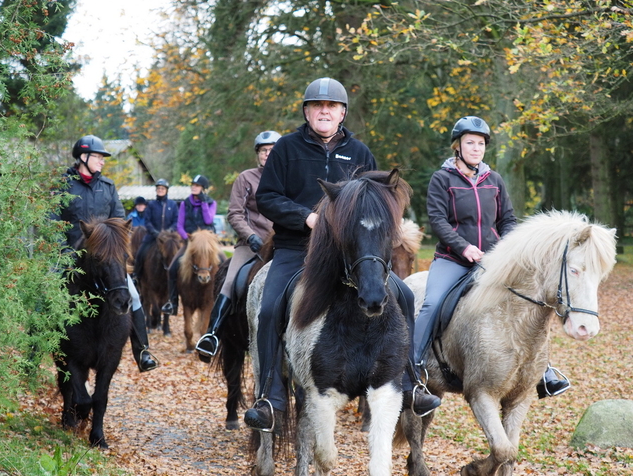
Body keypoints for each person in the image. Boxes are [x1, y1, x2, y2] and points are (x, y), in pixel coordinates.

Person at [243, 77, 441, 433]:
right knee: (270, 307)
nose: (324, 111)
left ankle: (411, 382)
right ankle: (270, 396)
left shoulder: (361, 153)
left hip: (350, 254)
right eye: (317, 105)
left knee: (406, 296)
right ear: (306, 111)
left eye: (331, 106)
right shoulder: (286, 149)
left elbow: (376, 200)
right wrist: (307, 217)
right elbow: (267, 198)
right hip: (297, 249)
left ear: (342, 113)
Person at [415, 116, 570, 401]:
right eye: (470, 143)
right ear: (457, 147)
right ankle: (415, 371)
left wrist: (508, 249)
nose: (476, 148)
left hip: (492, 260)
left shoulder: (494, 180)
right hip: (453, 259)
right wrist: (464, 248)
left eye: (481, 144)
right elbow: (437, 221)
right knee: (432, 303)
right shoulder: (442, 179)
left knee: (527, 302)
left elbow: (507, 220)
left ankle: (543, 371)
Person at [56, 135, 158, 372]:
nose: (102, 162)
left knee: (132, 294)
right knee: (45, 295)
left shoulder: (108, 187)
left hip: (103, 259)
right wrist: (62, 253)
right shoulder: (63, 185)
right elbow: (52, 221)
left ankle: (142, 351)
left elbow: (121, 223)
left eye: (103, 158)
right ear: (83, 157)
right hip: (69, 257)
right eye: (98, 157)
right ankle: (33, 351)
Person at [194, 131, 280, 362]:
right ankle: (211, 335)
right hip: (252, 244)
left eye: (272, 150)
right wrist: (250, 235)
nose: (267, 154)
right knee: (231, 281)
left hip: (283, 244)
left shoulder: (289, 179)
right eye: (263, 150)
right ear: (258, 154)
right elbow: (235, 213)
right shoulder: (246, 178)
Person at [161, 174, 216, 316]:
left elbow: (209, 220)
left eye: (197, 185)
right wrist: (189, 239)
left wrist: (203, 204)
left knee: (223, 264)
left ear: (203, 188)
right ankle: (172, 302)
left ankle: (220, 301)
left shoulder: (211, 203)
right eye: (192, 185)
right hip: (190, 243)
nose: (193, 187)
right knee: (172, 268)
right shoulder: (185, 203)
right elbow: (179, 225)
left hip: (207, 245)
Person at [132, 178, 179, 285]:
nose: (160, 190)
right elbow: (147, 221)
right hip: (152, 237)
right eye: (158, 188)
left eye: (162, 188)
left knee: (179, 254)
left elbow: (176, 221)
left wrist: (169, 231)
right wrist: (155, 233)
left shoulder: (172, 205)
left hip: (169, 238)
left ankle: (179, 278)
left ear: (166, 190)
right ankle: (137, 275)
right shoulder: (151, 205)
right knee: (140, 252)